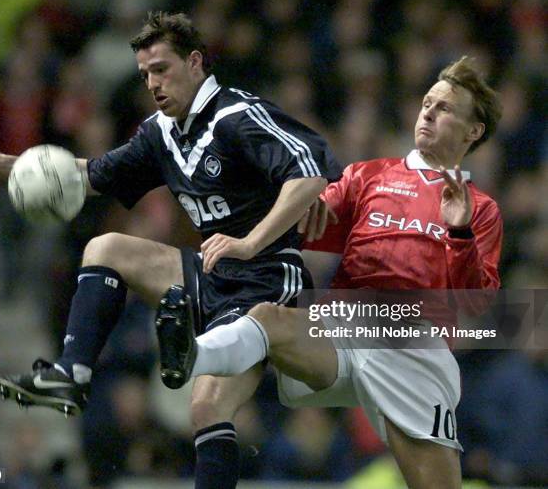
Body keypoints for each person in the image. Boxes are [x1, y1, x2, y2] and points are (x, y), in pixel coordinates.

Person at [0, 12, 341, 489]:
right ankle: (71, 373)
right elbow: (93, 174)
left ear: (195, 61)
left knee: (205, 406)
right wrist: (3, 164)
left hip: (268, 283)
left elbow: (309, 171)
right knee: (107, 246)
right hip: (212, 276)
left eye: (161, 69)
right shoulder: (160, 132)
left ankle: (186, 350)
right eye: (144, 75)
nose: (153, 83)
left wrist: (249, 242)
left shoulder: (237, 116)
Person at [162, 56, 503, 488]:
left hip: (411, 344)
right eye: (427, 103)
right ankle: (192, 353)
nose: (429, 113)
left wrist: (459, 232)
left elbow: (476, 306)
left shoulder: (481, 210)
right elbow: (302, 221)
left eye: (445, 108)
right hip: (343, 325)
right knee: (268, 317)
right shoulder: (369, 176)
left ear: (473, 131)